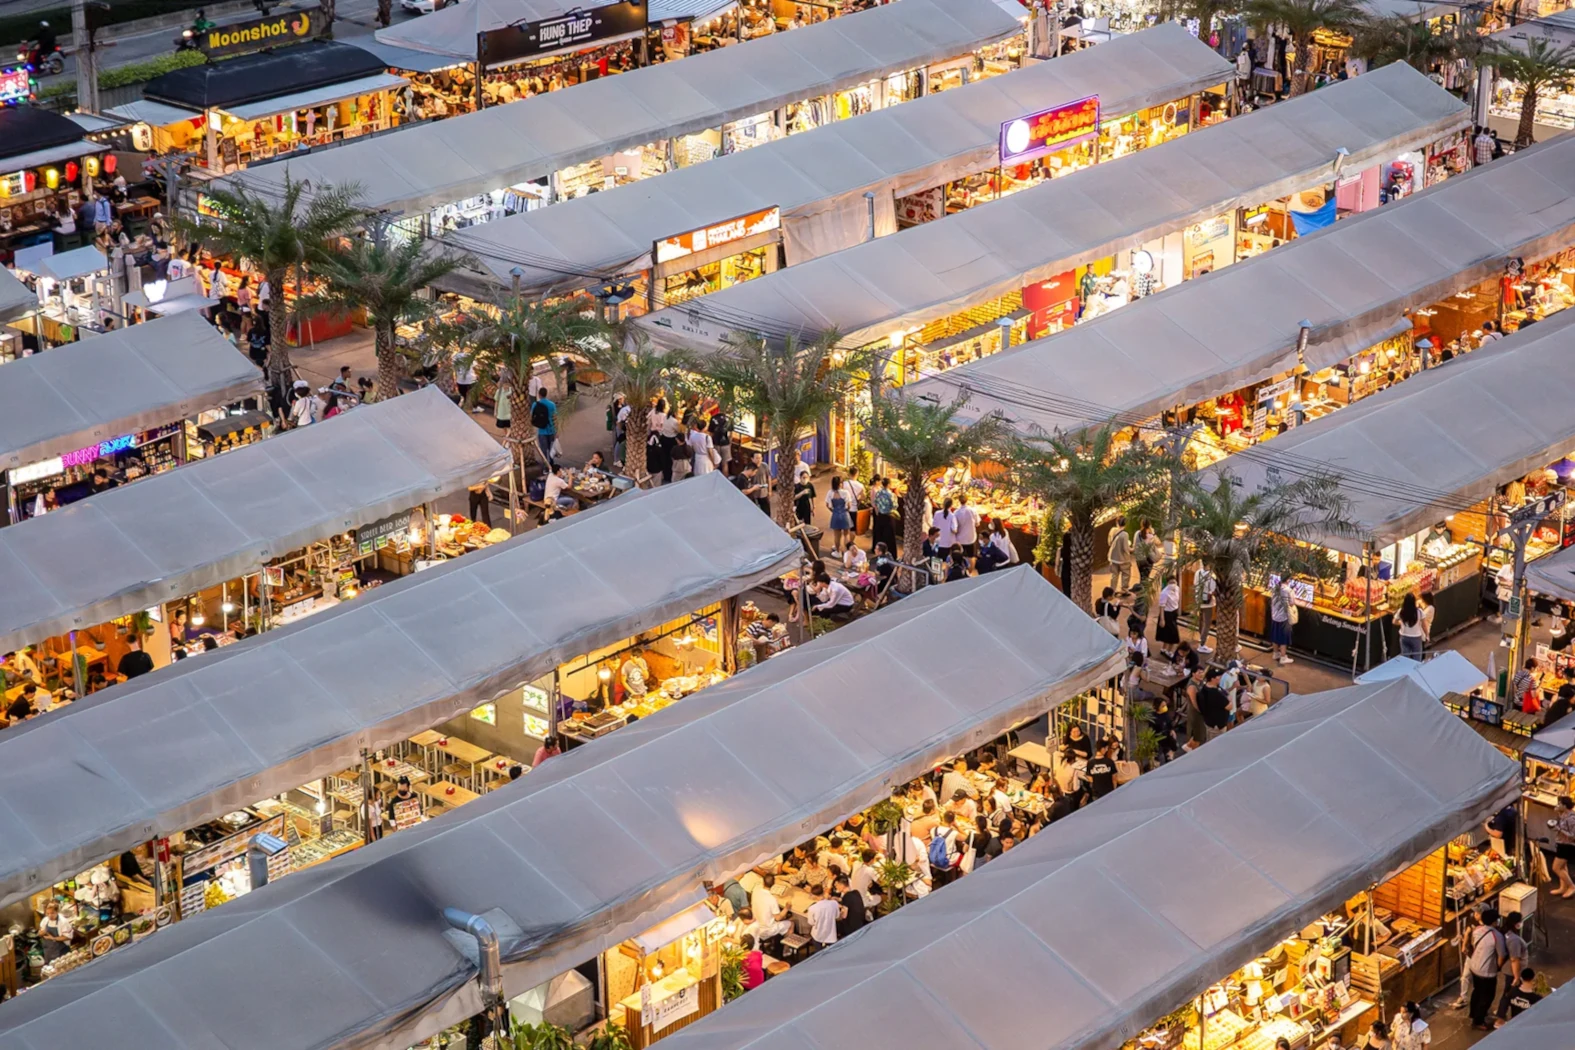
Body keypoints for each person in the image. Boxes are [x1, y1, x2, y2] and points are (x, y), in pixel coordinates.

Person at [1465, 908, 1507, 1029]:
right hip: (1486, 971)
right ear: (1494, 922)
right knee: (1487, 996)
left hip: (1474, 966)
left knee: (1477, 991)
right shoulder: (1497, 936)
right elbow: (1501, 955)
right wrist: (1497, 967)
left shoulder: (1477, 930)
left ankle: (1473, 1013)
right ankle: (1478, 1021)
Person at [1494, 912, 1528, 1022]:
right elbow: (1514, 959)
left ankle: (1501, 1012)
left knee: (1510, 993)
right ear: (1516, 923)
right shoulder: (1514, 939)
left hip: (1510, 970)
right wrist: (1517, 977)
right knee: (1509, 994)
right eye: (1520, 921)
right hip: (1512, 971)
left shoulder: (1508, 933)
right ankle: (1500, 1017)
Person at [748, 874, 791, 942]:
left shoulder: (755, 891)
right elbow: (778, 918)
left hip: (756, 924)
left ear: (763, 882)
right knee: (791, 924)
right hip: (767, 929)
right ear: (773, 884)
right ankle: (787, 949)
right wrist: (786, 908)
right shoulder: (772, 899)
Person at [805, 881, 844, 949]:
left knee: (818, 954)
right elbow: (837, 916)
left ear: (814, 895)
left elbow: (811, 922)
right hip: (831, 935)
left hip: (817, 935)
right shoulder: (834, 903)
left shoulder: (812, 908)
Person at [1551, 795, 1575, 898]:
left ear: (1564, 805)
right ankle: (1563, 887)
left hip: (1567, 846)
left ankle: (1571, 886)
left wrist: (1559, 830)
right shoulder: (1563, 814)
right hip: (1561, 844)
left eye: (1560, 804)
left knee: (1556, 868)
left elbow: (1573, 835)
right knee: (1563, 867)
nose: (1558, 805)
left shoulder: (1571, 818)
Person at [1155, 575, 1181, 658]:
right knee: (1173, 634)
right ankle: (1169, 651)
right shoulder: (1164, 593)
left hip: (1174, 613)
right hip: (1167, 614)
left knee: (1168, 634)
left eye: (1174, 582)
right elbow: (1162, 606)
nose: (1173, 584)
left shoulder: (1177, 588)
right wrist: (1162, 619)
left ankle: (1164, 649)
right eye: (1171, 583)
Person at [1270, 577, 1295, 665]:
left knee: (1275, 635)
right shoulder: (1289, 590)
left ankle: (1275, 653)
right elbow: (1292, 603)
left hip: (1274, 615)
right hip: (1284, 617)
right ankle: (1283, 657)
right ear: (1288, 580)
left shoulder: (1274, 588)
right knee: (1283, 637)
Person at [835, 873, 868, 937]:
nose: (836, 887)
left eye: (837, 885)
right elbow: (850, 902)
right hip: (860, 923)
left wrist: (837, 916)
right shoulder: (856, 892)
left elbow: (844, 916)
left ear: (842, 885)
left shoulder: (846, 897)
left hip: (851, 927)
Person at [531, 393, 558, 468]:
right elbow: (555, 418)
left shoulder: (535, 404)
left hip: (541, 431)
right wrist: (557, 431)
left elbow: (532, 416)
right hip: (551, 430)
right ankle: (552, 464)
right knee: (551, 449)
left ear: (539, 395)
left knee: (543, 450)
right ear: (546, 394)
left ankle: (545, 466)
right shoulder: (552, 404)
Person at [1194, 564, 1217, 653]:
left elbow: (1195, 584)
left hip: (1198, 600)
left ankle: (1201, 637)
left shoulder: (1197, 573)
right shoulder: (1211, 576)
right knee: (1207, 622)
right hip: (1207, 603)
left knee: (1201, 619)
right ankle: (1202, 644)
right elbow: (1213, 590)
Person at [872, 478, 898, 554]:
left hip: (880, 516)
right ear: (889, 484)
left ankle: (879, 552)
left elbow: (875, 503)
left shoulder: (878, 492)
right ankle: (890, 553)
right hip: (889, 516)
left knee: (880, 535)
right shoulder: (891, 494)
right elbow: (895, 506)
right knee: (889, 536)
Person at [1397, 592, 1425, 657]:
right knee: (1417, 657)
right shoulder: (1419, 611)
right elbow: (1424, 625)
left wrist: (1401, 623)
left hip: (1404, 636)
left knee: (1405, 657)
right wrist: (1427, 635)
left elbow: (1394, 621)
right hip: (1416, 637)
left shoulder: (1401, 611)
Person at [1135, 521, 1159, 587]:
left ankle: (1141, 592)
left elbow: (1135, 546)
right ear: (1150, 526)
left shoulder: (1137, 533)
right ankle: (1144, 593)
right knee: (1145, 578)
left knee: (1142, 577)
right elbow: (1158, 542)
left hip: (1138, 559)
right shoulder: (1150, 536)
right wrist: (1153, 533)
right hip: (1147, 560)